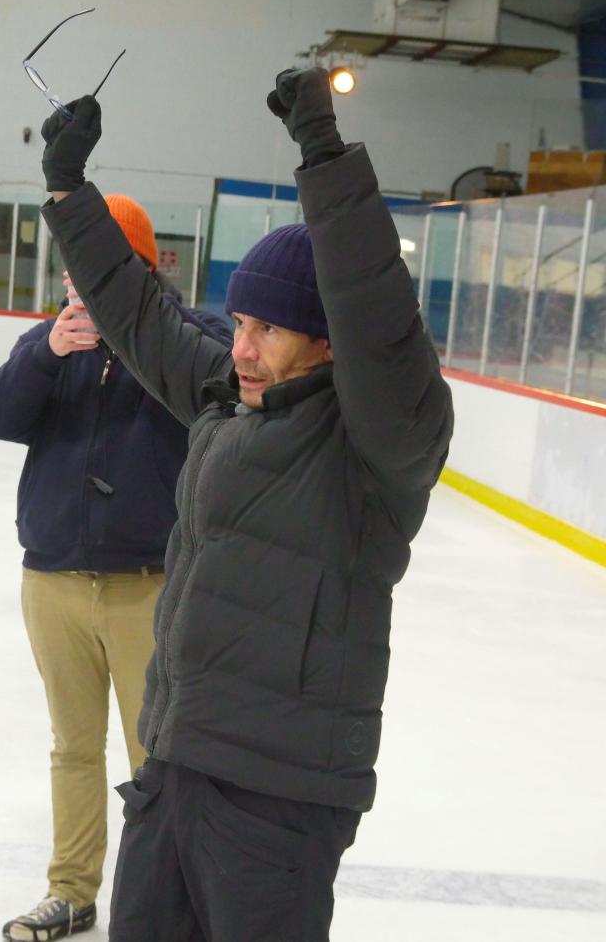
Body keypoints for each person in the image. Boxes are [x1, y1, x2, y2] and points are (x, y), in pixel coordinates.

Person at [36, 68, 454, 940]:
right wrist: (70, 192)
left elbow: (378, 315)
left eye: (268, 327)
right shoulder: (229, 399)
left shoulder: (377, 448)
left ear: (327, 340)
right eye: (239, 322)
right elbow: (139, 316)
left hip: (278, 798)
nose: (244, 344)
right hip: (176, 764)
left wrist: (323, 153)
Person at [0, 196, 231, 942]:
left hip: (148, 589)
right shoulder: (53, 343)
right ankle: (72, 891)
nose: (72, 283)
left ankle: (159, 907)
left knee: (157, 761)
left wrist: (147, 337)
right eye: (70, 268)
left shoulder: (189, 341)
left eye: (92, 267)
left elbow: (222, 396)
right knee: (73, 747)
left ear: (137, 269)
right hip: (52, 580)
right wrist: (46, 351)